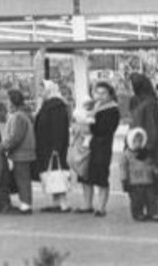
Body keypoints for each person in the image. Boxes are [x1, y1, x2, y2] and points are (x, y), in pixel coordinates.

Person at [77, 80, 121, 217]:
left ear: (110, 94)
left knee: (101, 176)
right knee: (85, 175)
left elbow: (104, 129)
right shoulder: (94, 107)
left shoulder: (112, 109)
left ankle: (101, 208)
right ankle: (87, 205)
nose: (100, 96)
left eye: (103, 93)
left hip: (102, 146)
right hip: (87, 146)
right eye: (97, 92)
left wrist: (89, 123)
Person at [34, 80, 71, 212]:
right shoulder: (48, 104)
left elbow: (59, 129)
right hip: (46, 146)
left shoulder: (56, 106)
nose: (40, 93)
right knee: (51, 172)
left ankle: (63, 203)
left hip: (53, 147)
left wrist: (56, 147)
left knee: (56, 171)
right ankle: (56, 202)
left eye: (42, 90)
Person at [2, 89, 36, 214]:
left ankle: (26, 204)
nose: (6, 102)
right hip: (24, 152)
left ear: (13, 101)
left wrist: (3, 146)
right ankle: (25, 202)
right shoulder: (23, 114)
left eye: (8, 100)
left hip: (21, 153)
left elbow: (15, 136)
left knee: (22, 179)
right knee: (23, 178)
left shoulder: (18, 116)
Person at [128, 72, 158, 214]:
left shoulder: (148, 103)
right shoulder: (143, 100)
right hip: (139, 143)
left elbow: (151, 127)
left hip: (143, 145)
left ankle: (147, 209)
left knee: (146, 181)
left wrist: (147, 146)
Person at [120, 127, 156, 222]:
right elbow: (123, 168)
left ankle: (153, 213)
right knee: (137, 200)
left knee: (151, 198)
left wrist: (155, 171)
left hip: (148, 180)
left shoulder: (146, 153)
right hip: (134, 182)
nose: (138, 144)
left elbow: (151, 164)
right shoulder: (126, 155)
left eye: (140, 141)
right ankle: (138, 213)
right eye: (135, 141)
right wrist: (124, 180)